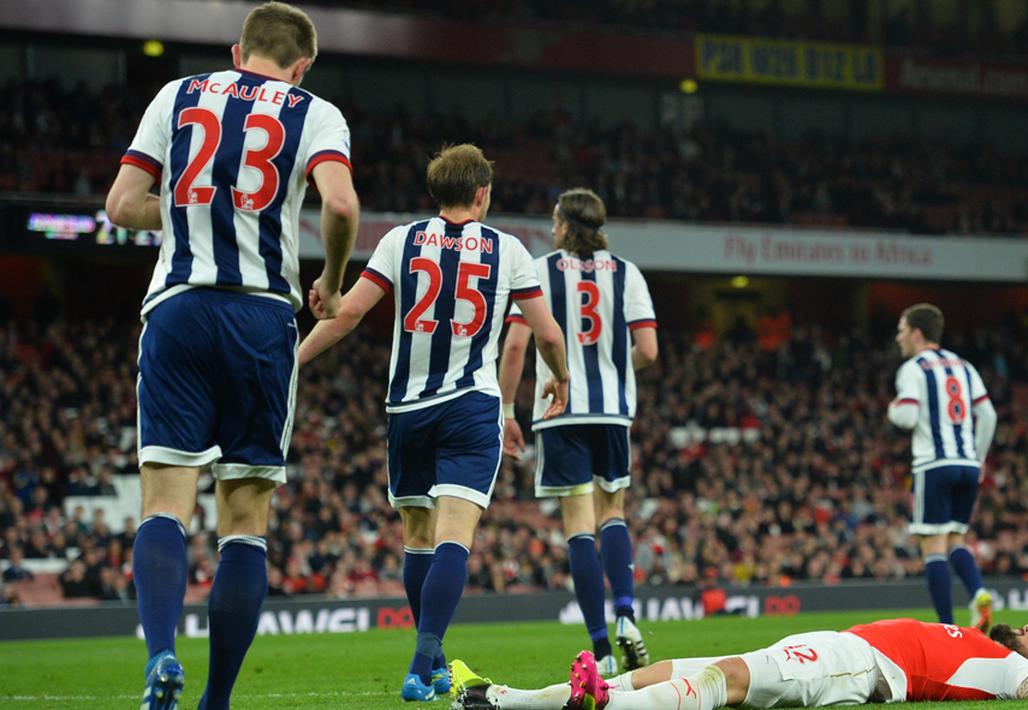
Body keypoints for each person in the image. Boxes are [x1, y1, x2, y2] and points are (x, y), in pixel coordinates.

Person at [104, 2, 359, 708]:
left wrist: (193, 208)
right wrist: (332, 286)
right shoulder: (315, 111)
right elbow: (339, 207)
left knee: (164, 507)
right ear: (301, 66)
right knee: (244, 524)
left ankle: (159, 654)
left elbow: (122, 205)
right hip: (260, 319)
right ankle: (215, 700)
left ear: (235, 49)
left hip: (178, 310)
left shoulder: (177, 94)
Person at [297, 143, 570, 702]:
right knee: (454, 539)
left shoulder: (400, 240)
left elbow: (347, 313)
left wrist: (291, 363)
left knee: (418, 540)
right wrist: (559, 376)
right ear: (481, 194)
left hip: (408, 409)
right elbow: (545, 333)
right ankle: (424, 663)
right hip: (471, 405)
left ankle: (434, 662)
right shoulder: (509, 250)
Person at [498, 188, 658, 675]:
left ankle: (602, 650)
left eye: (554, 221)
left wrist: (507, 409)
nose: (550, 230)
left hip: (560, 409)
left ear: (566, 226)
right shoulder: (628, 272)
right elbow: (648, 350)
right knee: (613, 511)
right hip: (610, 410)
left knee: (577, 526)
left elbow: (515, 347)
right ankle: (627, 614)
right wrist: (616, 374)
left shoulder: (540, 270)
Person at [450, 617, 1028, 709]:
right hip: (835, 647)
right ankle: (496, 699)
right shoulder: (977, 632)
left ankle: (600, 706)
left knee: (724, 682)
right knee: (671, 663)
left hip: (854, 665)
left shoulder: (996, 667)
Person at [887, 304, 997, 631]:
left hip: (933, 464)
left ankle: (947, 628)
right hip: (966, 464)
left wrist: (892, 408)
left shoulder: (913, 368)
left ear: (917, 334)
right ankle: (978, 591)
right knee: (955, 541)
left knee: (932, 547)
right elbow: (988, 415)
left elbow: (906, 416)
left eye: (902, 330)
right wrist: (978, 459)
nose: (898, 337)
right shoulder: (964, 366)